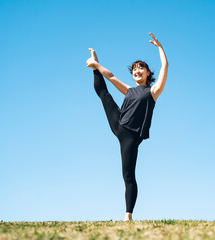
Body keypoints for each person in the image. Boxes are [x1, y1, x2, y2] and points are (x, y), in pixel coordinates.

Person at [86, 32, 169, 221]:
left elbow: (165, 66)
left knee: (128, 175)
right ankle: (93, 65)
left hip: (130, 137)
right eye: (134, 69)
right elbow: (112, 76)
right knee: (102, 92)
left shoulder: (153, 92)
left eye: (141, 68)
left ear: (148, 73)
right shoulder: (129, 90)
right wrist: (96, 64)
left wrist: (160, 48)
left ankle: (128, 215)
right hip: (118, 122)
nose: (137, 71)